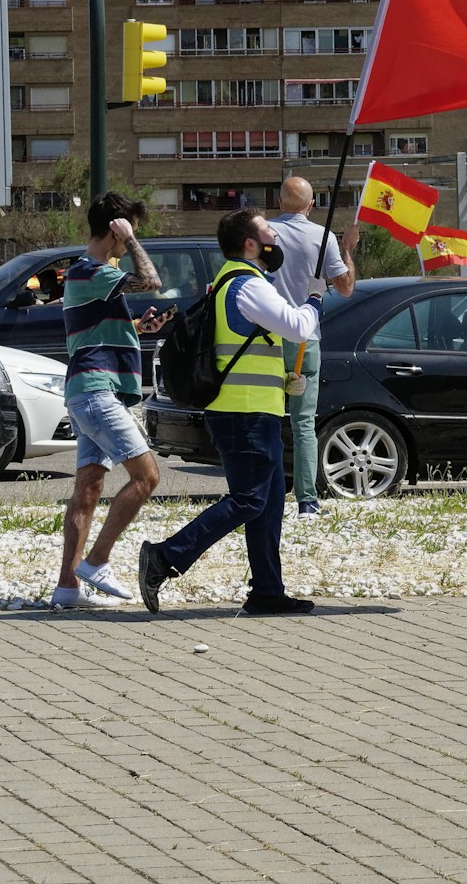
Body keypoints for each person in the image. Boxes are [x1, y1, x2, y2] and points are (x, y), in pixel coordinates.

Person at [139, 209, 322, 616]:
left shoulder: (238, 282)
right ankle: (164, 557)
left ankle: (268, 592)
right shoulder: (246, 285)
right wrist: (314, 298)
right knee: (248, 499)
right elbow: (298, 327)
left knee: (269, 501)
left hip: (255, 412)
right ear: (251, 244)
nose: (276, 235)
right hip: (244, 415)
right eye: (269, 231)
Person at [52, 194, 166, 609]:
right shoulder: (90, 270)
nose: (127, 242)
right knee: (147, 476)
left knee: (88, 488)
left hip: (87, 392)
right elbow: (151, 280)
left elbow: (95, 323)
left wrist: (138, 325)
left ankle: (67, 588)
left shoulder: (88, 276)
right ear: (115, 230)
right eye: (125, 231)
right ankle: (97, 560)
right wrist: (133, 241)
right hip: (96, 392)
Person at [267, 176, 359, 518]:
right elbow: (346, 287)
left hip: (267, 338)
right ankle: (307, 501)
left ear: (279, 202)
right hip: (305, 339)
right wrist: (347, 246)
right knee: (303, 424)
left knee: (267, 421)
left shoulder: (264, 232)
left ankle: (269, 494)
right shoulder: (322, 238)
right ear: (310, 206)